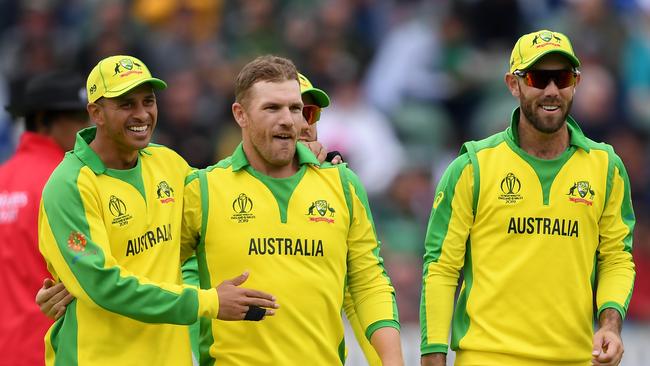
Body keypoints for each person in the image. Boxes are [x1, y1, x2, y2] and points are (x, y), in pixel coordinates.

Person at [37, 55, 279, 366]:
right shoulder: (68, 185)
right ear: (95, 112)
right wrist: (208, 302)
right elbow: (103, 286)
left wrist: (308, 156)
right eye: (126, 104)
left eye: (148, 101)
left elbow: (227, 191)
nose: (142, 114)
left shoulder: (166, 163)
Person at [419, 29, 636, 366]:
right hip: (486, 357)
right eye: (538, 78)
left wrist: (610, 325)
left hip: (576, 358)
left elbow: (616, 258)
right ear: (513, 84)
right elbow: (441, 268)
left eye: (562, 78)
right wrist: (433, 354)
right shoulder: (473, 166)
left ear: (575, 82)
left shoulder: (606, 166)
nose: (551, 91)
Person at [180, 55, 404, 365]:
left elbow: (367, 285)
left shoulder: (342, 184)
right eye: (272, 108)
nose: (294, 122)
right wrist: (205, 304)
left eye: (300, 110)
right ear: (240, 115)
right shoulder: (201, 189)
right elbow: (159, 270)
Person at [0, 71, 89, 366]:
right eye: (76, 117)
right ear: (42, 119)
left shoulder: (3, 178)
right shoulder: (68, 183)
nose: (87, 127)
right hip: (57, 350)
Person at [298, 72, 381, 366]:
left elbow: (362, 286)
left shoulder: (342, 183)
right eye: (289, 110)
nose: (302, 124)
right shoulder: (213, 184)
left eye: (309, 113)